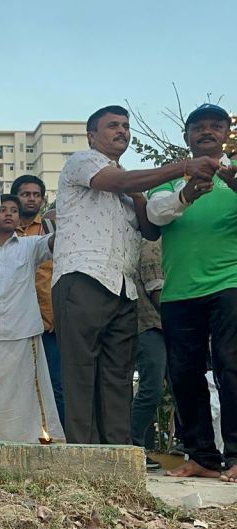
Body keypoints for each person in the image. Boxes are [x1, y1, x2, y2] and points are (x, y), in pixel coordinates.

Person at [53, 105, 214, 445]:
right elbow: (119, 181)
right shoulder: (83, 161)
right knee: (81, 372)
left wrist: (181, 194)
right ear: (91, 135)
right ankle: (83, 455)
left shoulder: (130, 181)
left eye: (126, 126)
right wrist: (184, 166)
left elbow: (150, 231)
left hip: (124, 288)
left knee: (119, 376)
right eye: (112, 125)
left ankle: (116, 453)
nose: (122, 131)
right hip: (83, 277)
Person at [146, 103, 236, 480]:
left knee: (232, 367)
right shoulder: (170, 177)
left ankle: (236, 455)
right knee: (184, 374)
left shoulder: (234, 173)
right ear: (186, 137)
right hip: (179, 291)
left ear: (226, 135)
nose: (207, 132)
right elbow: (154, 215)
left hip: (230, 285)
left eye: (215, 126)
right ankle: (202, 456)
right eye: (198, 127)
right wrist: (186, 194)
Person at [0, 194, 64, 441]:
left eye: (13, 210)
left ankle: (35, 440)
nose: (8, 214)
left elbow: (55, 242)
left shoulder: (30, 245)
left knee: (27, 392)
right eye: (2, 209)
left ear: (19, 218)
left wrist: (64, 219)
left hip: (22, 332)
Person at [11, 174, 64, 426]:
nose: (31, 199)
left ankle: (61, 441)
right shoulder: (1, 231)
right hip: (14, 323)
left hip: (50, 322)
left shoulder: (52, 229)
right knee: (17, 385)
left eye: (36, 195)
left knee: (56, 385)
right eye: (25, 194)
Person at [132, 239, 166, 470]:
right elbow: (156, 289)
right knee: (151, 389)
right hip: (149, 324)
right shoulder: (151, 244)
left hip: (164, 326)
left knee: (180, 387)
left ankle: (189, 446)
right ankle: (133, 445)